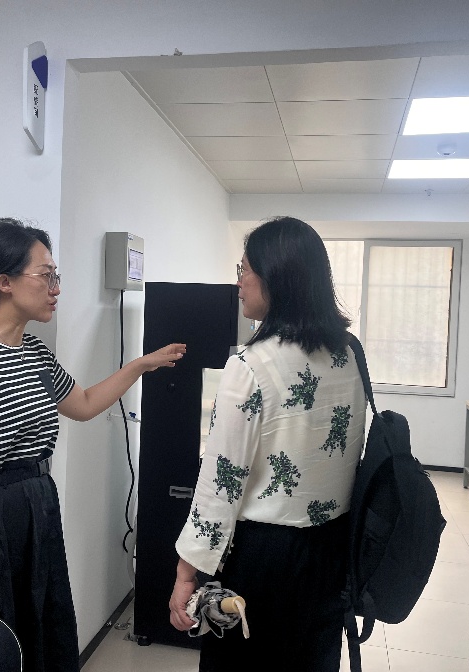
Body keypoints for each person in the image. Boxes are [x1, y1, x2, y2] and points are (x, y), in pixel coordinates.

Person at [0, 217, 185, 672]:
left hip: (35, 509)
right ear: (5, 282)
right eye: (46, 275)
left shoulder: (34, 353)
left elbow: (84, 403)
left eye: (57, 276)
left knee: (35, 636)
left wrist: (139, 365)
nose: (56, 288)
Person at [168, 216, 366, 671]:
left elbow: (221, 483)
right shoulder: (348, 353)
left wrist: (186, 572)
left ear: (276, 278)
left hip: (263, 558)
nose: (238, 282)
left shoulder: (251, 365)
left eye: (244, 270)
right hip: (331, 549)